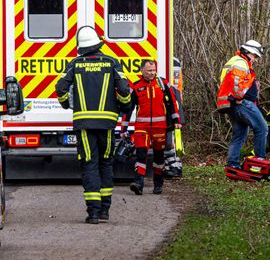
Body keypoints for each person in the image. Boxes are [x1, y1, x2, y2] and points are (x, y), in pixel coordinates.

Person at [55, 26, 132, 224]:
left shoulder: (75, 64)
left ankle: (94, 213)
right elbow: (124, 90)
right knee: (106, 163)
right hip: (107, 124)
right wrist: (125, 106)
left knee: (89, 164)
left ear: (81, 47)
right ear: (98, 44)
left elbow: (61, 88)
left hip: (84, 124)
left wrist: (65, 104)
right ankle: (105, 210)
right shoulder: (112, 63)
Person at [126, 59, 181, 195]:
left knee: (159, 156)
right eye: (149, 70)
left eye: (154, 70)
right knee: (141, 153)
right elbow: (129, 109)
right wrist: (124, 128)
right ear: (142, 71)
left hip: (159, 127)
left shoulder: (163, 84)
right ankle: (138, 183)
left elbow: (172, 103)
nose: (152, 73)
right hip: (141, 127)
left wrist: (176, 120)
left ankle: (158, 184)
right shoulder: (136, 86)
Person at [216, 39, 268, 169]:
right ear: (247, 52)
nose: (255, 59)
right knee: (262, 128)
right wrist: (238, 96)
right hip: (241, 103)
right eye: (255, 55)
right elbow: (236, 83)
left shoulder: (234, 61)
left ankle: (232, 164)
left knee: (239, 135)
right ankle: (259, 162)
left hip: (233, 104)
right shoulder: (241, 63)